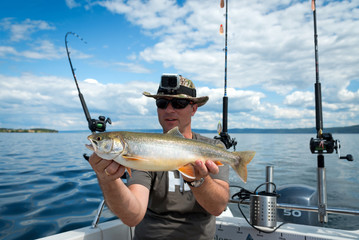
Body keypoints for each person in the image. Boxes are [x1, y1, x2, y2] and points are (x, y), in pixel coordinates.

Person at [89, 74, 230, 240]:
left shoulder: (215, 148)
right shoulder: (141, 150)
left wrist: (199, 180)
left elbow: (218, 208)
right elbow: (132, 216)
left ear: (193, 108)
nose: (169, 110)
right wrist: (108, 179)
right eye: (162, 103)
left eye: (179, 103)